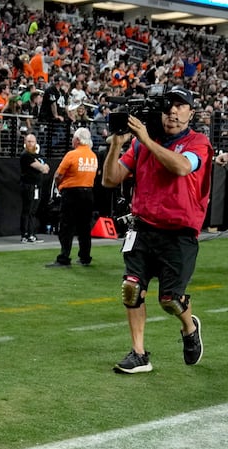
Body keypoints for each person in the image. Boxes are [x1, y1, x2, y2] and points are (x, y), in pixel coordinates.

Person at [102, 86, 210, 374]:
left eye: (181, 105)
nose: (173, 111)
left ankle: (189, 326)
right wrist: (116, 144)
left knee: (170, 300)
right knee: (131, 288)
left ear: (191, 113)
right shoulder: (139, 145)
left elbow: (182, 168)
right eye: (169, 105)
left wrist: (146, 139)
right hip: (143, 227)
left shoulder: (198, 142)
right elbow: (110, 179)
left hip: (179, 232)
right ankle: (139, 354)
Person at [46, 127, 97, 268]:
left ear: (78, 140)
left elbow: (58, 175)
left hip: (72, 193)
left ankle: (64, 257)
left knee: (66, 226)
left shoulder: (72, 155)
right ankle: (85, 257)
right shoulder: (93, 156)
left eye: (74, 138)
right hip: (88, 193)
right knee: (85, 228)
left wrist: (59, 186)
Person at [19, 133, 49, 243]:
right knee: (27, 210)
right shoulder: (26, 155)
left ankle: (31, 233)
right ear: (25, 143)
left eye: (33, 141)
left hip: (37, 185)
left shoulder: (37, 155)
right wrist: (42, 167)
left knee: (33, 211)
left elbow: (46, 168)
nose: (31, 144)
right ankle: (25, 234)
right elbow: (41, 167)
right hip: (28, 186)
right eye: (29, 141)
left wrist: (43, 167)